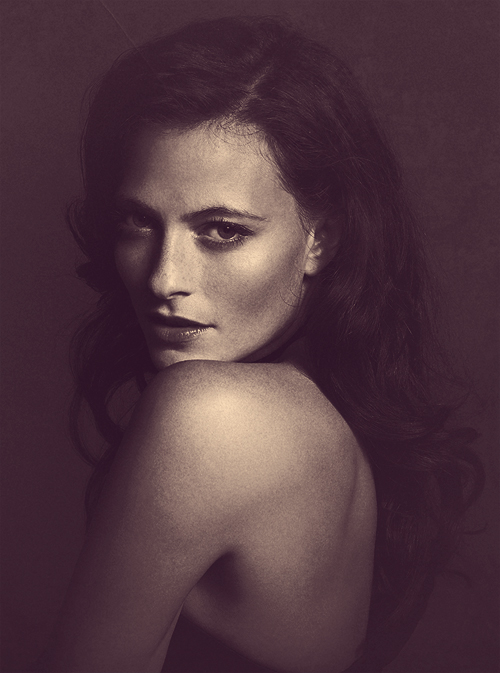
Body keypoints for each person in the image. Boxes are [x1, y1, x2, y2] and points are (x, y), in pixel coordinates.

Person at [41, 16, 483, 673]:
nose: (163, 278)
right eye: (137, 221)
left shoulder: (211, 417)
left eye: (221, 230)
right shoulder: (329, 427)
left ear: (322, 238)